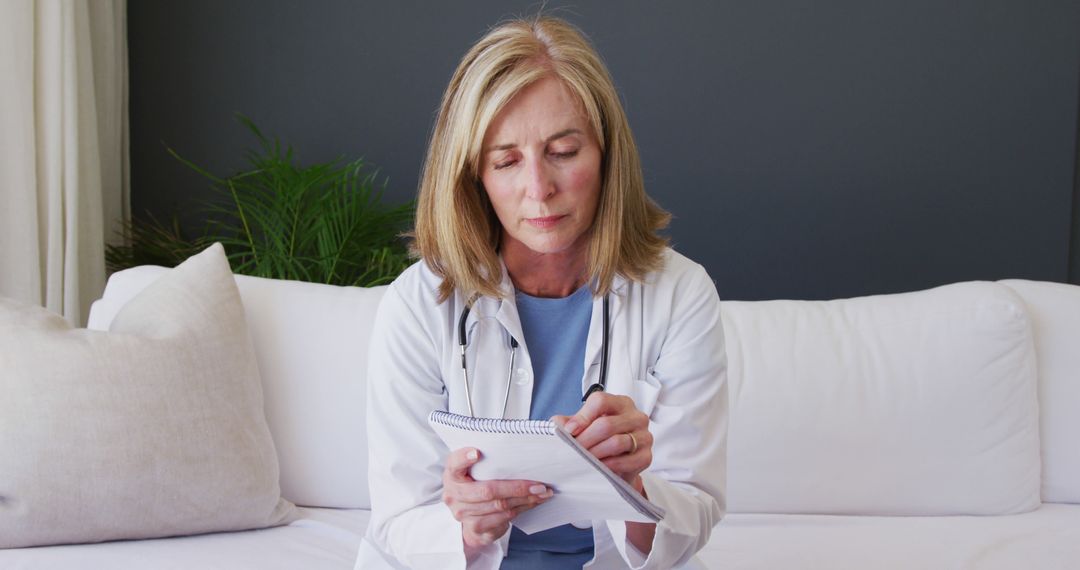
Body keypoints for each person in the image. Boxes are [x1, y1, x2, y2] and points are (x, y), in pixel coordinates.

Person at [356, 15, 728, 570]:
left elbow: (694, 514)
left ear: (606, 154)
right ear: (472, 176)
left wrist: (634, 489)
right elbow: (398, 521)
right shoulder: (417, 304)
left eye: (564, 151)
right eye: (506, 161)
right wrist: (465, 530)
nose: (539, 189)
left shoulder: (681, 293)